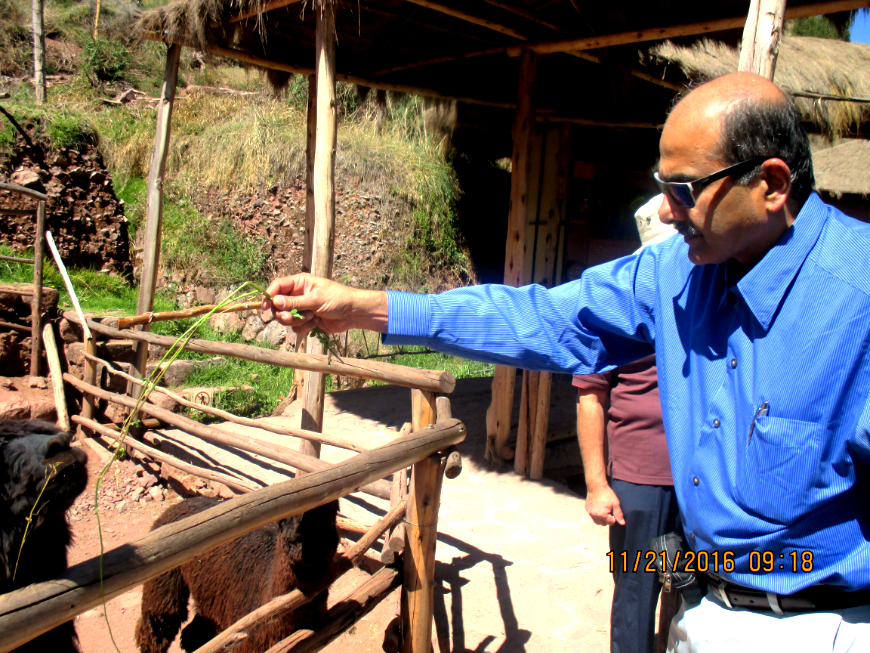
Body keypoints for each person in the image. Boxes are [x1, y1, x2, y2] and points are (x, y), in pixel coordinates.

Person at [264, 73, 870, 651]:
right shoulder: (674, 275)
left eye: (683, 190)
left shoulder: (858, 298)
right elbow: (542, 318)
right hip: (703, 604)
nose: (662, 211)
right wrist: (367, 308)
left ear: (770, 183)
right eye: (661, 185)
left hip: (819, 627)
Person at [576, 353, 678, 653]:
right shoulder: (617, 310)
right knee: (634, 596)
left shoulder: (708, 306)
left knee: (703, 590)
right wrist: (596, 485)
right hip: (639, 480)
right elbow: (589, 397)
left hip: (704, 478)